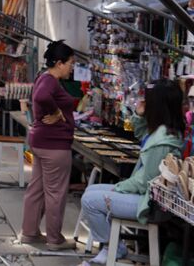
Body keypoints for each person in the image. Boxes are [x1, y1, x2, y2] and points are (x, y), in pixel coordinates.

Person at [79, 80, 184, 264]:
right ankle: (110, 246)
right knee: (91, 191)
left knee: (89, 200)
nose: (145, 102)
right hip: (146, 196)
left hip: (148, 203)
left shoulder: (164, 140)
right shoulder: (162, 131)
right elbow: (138, 133)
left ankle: (111, 245)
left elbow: (144, 182)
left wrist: (119, 187)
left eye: (148, 100)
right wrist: (138, 114)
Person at [20, 40, 76, 251]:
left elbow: (40, 96)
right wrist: (56, 112)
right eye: (71, 62)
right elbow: (42, 96)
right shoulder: (50, 81)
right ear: (59, 63)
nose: (72, 67)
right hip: (54, 146)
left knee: (36, 189)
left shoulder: (44, 78)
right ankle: (54, 239)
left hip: (41, 142)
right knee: (55, 193)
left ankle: (30, 232)